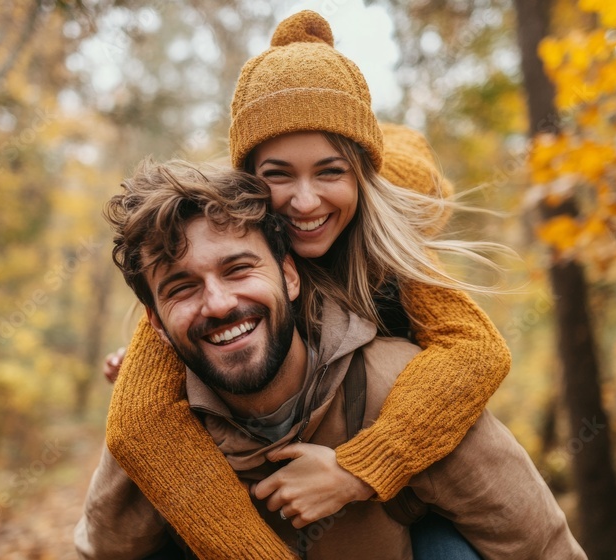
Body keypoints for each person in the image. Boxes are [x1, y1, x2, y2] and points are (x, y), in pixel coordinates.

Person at [106, 11, 518, 559]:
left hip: (391, 481)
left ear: (362, 176)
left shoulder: (387, 238)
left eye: (329, 172)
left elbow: (477, 349)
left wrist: (363, 467)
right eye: (278, 175)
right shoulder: (213, 256)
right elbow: (138, 424)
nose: (304, 203)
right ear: (246, 181)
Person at [74, 159, 585, 559]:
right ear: (156, 324)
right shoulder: (156, 428)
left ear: (290, 275)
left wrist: (364, 469)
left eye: (238, 269)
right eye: (182, 287)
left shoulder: (405, 386)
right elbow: (104, 549)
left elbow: (539, 547)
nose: (219, 303)